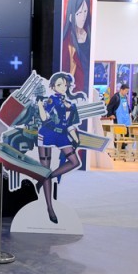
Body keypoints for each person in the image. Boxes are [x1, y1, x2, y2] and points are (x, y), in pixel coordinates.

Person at [35, 72, 86, 224]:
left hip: (62, 135)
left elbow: (69, 124)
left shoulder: (68, 103)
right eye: (59, 84)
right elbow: (44, 118)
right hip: (47, 134)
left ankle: (45, 178)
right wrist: (39, 104)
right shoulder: (51, 100)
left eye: (64, 84)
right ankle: (50, 208)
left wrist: (76, 139)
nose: (63, 87)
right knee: (45, 168)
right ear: (52, 87)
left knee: (75, 162)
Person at [62, 0, 91, 93]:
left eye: (85, 11)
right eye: (78, 13)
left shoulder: (89, 36)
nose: (83, 17)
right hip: (74, 93)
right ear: (71, 16)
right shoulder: (66, 42)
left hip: (87, 90)